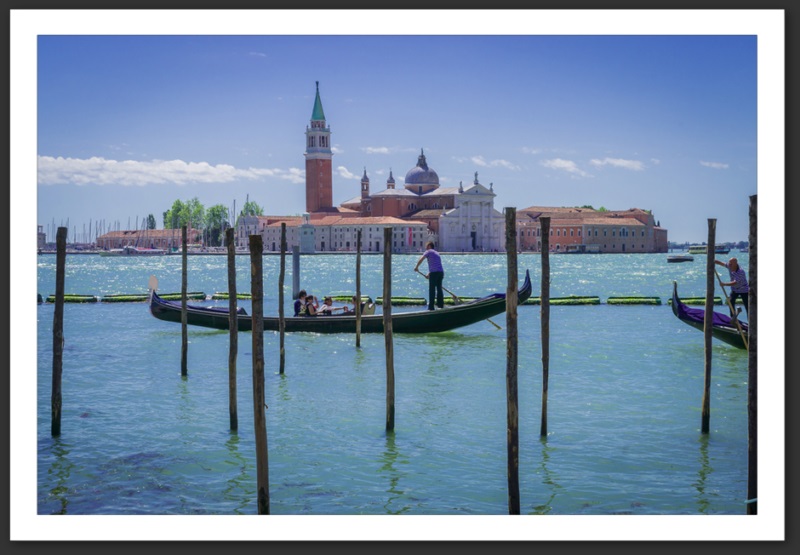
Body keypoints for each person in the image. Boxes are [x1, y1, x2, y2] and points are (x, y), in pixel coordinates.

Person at [414, 241, 445, 311]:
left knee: (432, 290)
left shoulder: (428, 251)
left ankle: (431, 307)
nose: (425, 247)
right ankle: (441, 305)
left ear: (430, 246)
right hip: (440, 273)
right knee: (439, 289)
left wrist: (416, 267)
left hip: (434, 273)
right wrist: (429, 274)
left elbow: (421, 259)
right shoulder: (437, 253)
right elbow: (436, 265)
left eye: (426, 246)